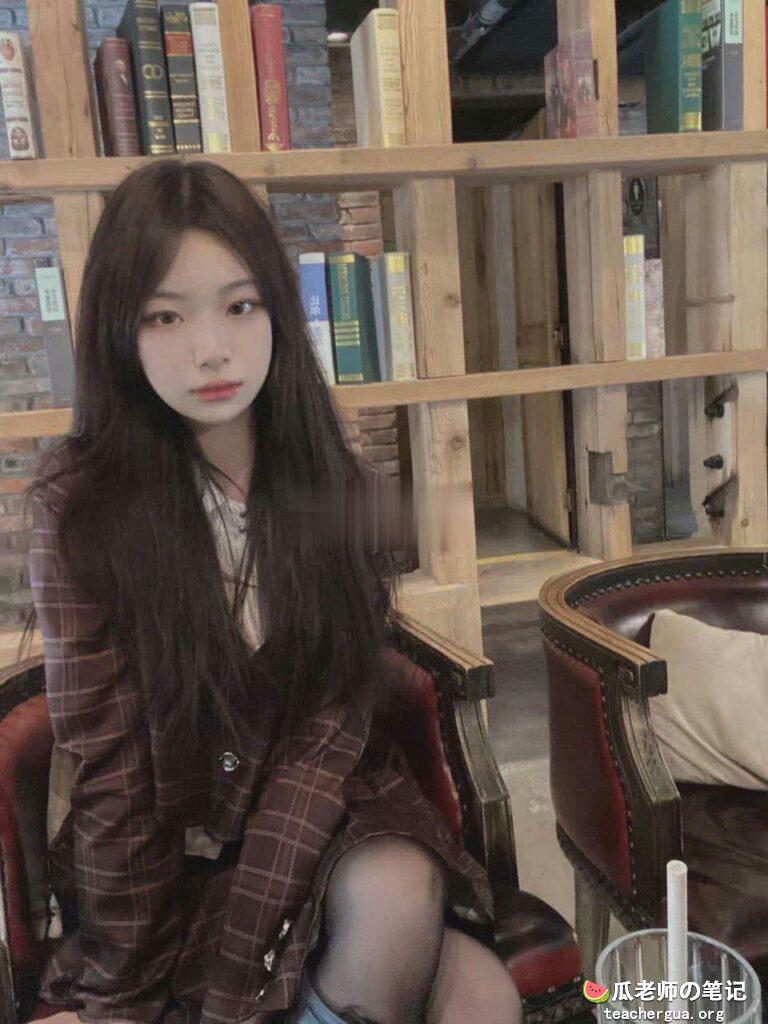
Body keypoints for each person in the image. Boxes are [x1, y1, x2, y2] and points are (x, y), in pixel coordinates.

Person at [22, 158, 523, 1024]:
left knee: (433, 932)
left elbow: (334, 723)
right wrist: (117, 994)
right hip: (175, 851)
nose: (211, 349)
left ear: (278, 312)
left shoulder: (331, 480)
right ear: (119, 331)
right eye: (165, 316)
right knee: (465, 985)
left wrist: (254, 927)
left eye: (240, 306)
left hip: (324, 805)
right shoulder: (81, 508)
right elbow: (114, 774)